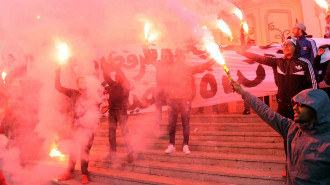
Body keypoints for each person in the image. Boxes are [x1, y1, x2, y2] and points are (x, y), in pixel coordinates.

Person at [237, 38, 318, 177]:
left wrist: (313, 107)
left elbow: (314, 87)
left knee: (304, 137)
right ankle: (290, 166)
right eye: (283, 45)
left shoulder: (305, 63)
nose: (285, 47)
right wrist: (243, 52)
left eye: (288, 44)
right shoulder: (278, 62)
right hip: (283, 107)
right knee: (287, 138)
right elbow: (259, 58)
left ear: (295, 46)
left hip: (301, 109)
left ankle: (305, 165)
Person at [231, 81, 330, 185]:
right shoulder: (293, 129)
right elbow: (266, 112)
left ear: (316, 108)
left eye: (300, 104)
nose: (294, 108)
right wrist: (243, 92)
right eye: (294, 104)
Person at [164, 48, 215, 154]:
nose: (179, 59)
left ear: (183, 58)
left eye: (181, 57)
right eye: (177, 56)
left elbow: (203, 66)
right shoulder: (170, 69)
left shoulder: (188, 69)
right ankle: (171, 145)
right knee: (171, 123)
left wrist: (215, 58)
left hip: (185, 100)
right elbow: (165, 84)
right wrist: (168, 99)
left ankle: (185, 145)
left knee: (185, 124)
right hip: (173, 100)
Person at [55, 67, 94, 184]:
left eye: (84, 81)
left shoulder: (92, 95)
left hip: (88, 128)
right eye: (79, 81)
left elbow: (97, 110)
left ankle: (84, 174)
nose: (82, 82)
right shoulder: (73, 93)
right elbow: (58, 87)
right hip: (75, 127)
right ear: (77, 85)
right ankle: (69, 172)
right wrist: (57, 73)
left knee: (84, 151)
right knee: (73, 150)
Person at [102, 63, 133, 163]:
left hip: (121, 111)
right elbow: (106, 76)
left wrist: (117, 67)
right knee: (111, 134)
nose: (116, 78)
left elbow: (123, 76)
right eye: (115, 76)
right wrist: (105, 67)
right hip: (112, 112)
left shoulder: (125, 85)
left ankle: (130, 154)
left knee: (125, 133)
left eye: (118, 76)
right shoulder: (112, 85)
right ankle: (112, 154)